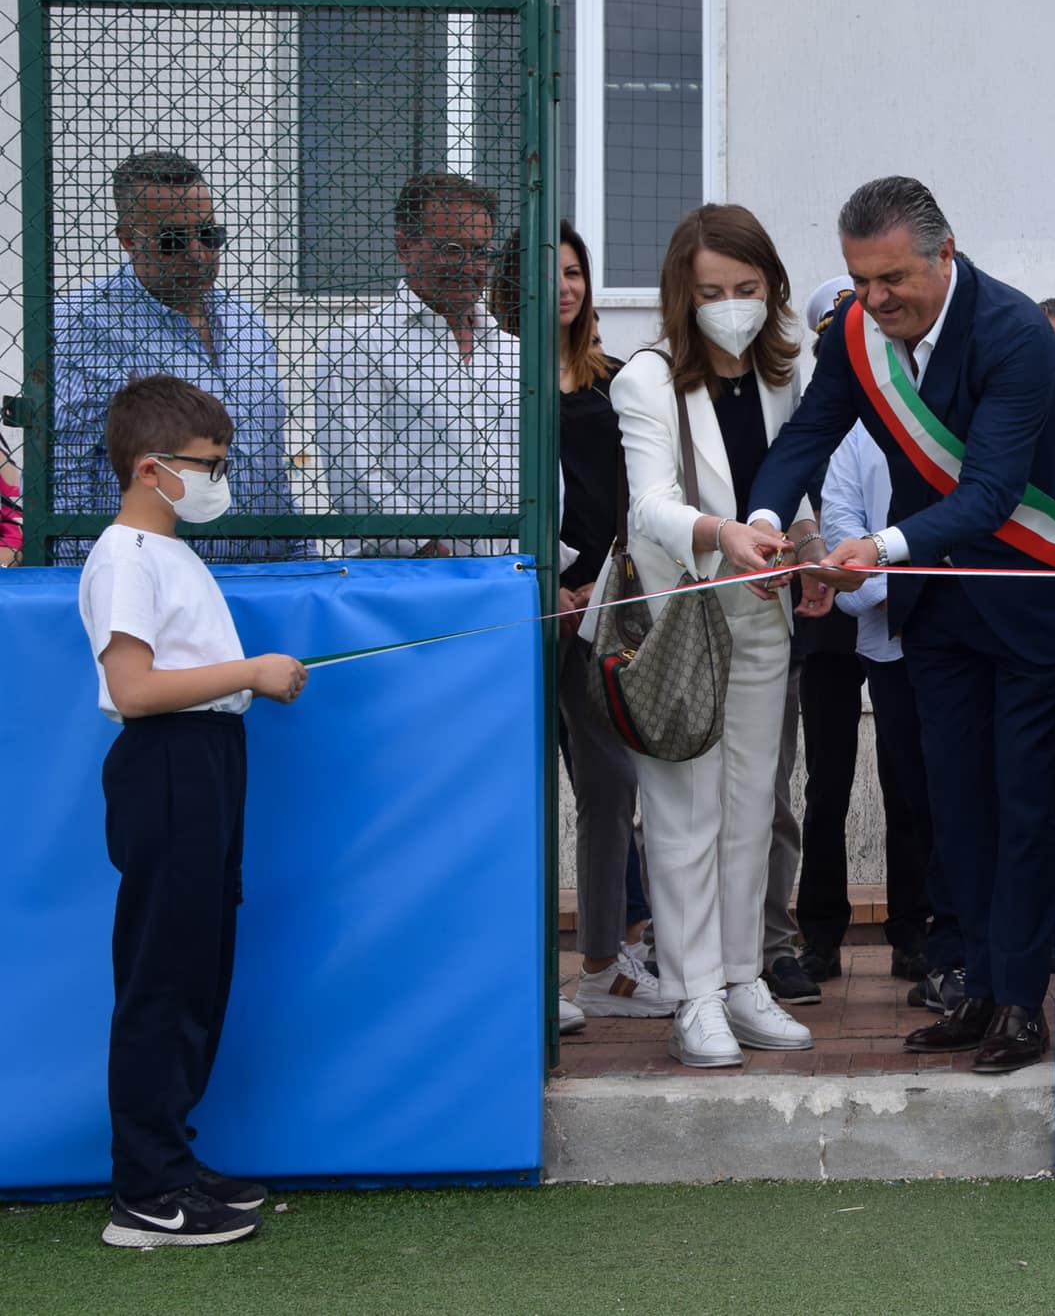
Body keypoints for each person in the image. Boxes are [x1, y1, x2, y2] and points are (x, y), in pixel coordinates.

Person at [744, 176, 1055, 1073]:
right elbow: (807, 437)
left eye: (893, 278)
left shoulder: (1013, 335)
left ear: (945, 253)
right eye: (860, 281)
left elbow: (991, 493)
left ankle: (1019, 1000)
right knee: (952, 805)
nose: (876, 299)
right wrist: (767, 523)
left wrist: (875, 547)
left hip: (1023, 599)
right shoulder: (856, 338)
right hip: (933, 608)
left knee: (1021, 807)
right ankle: (967, 980)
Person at [78, 375, 309, 1246]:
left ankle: (170, 1155)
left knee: (199, 970)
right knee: (161, 980)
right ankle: (143, 1194)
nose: (221, 478)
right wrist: (251, 672)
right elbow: (133, 689)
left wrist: (247, 688)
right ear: (150, 469)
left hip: (209, 760)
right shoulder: (124, 558)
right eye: (208, 465)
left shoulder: (169, 553)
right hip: (167, 766)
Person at [610, 203, 834, 1068]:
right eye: (712, 290)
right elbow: (649, 506)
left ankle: (744, 981)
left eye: (747, 287)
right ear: (682, 292)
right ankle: (692, 993)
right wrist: (722, 533)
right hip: (679, 622)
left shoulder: (782, 375)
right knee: (681, 814)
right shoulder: (648, 377)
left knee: (751, 809)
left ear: (771, 288)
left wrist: (808, 549)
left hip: (762, 613)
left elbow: (794, 486)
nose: (732, 304)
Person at [488, 222, 672, 1024]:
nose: (563, 286)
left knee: (613, 780)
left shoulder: (615, 376)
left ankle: (602, 961)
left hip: (609, 600)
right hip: (526, 603)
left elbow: (636, 488)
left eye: (573, 272)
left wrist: (607, 581)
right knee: (528, 783)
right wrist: (549, 586)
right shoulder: (498, 373)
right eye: (546, 272)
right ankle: (538, 968)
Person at [51, 150, 306, 563]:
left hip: (265, 579)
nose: (198, 252)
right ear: (128, 239)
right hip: (156, 583)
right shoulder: (81, 325)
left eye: (209, 235)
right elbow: (64, 479)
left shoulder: (247, 323)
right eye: (172, 241)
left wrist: (300, 555)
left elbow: (268, 464)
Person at [806, 282, 939, 989]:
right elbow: (835, 525)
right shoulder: (822, 416)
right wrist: (859, 583)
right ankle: (819, 936)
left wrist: (884, 585)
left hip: (903, 614)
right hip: (829, 611)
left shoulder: (925, 410)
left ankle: (915, 934)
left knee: (911, 784)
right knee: (826, 782)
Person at [313, 171, 519, 557]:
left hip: (511, 572)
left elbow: (544, 475)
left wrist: (534, 554)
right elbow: (356, 476)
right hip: (408, 578)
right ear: (405, 246)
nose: (471, 266)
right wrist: (427, 550)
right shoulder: (358, 343)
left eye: (481, 252)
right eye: (454, 249)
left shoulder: (514, 353)